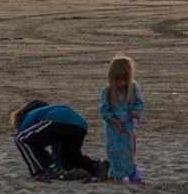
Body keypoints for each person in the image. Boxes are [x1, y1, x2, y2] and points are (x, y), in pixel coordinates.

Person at [11, 99, 108, 181]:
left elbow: (28, 142)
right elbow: (57, 149)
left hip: (56, 120)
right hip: (80, 125)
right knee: (70, 159)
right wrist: (57, 166)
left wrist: (45, 169)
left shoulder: (26, 119)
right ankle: (96, 166)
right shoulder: (48, 111)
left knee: (21, 138)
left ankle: (38, 173)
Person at [98, 55, 145, 183]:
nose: (121, 84)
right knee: (114, 152)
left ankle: (130, 173)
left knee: (129, 152)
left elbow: (140, 103)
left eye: (124, 80)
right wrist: (114, 121)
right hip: (113, 129)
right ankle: (115, 174)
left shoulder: (133, 88)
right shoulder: (106, 92)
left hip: (128, 128)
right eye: (118, 80)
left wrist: (136, 113)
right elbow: (104, 111)